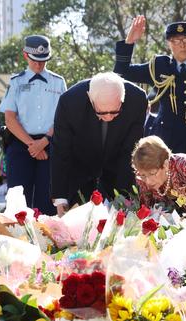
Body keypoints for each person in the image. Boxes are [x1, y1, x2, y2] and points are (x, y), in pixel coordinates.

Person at [114, 16, 186, 167]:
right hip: (168, 142)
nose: (183, 45)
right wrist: (130, 41)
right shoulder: (160, 66)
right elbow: (122, 73)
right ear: (169, 44)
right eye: (177, 40)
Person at [51, 72, 147, 216]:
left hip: (118, 168)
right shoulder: (69, 102)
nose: (108, 117)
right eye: (101, 113)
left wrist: (125, 198)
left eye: (115, 112)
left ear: (123, 98)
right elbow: (61, 150)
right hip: (80, 169)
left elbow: (130, 151)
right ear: (90, 98)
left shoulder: (137, 99)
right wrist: (60, 198)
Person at [0, 35, 67, 215]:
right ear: (25, 56)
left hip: (50, 144)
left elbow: (63, 118)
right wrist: (32, 145)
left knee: (48, 200)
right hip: (21, 144)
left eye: (43, 61)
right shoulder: (16, 82)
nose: (39, 65)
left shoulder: (58, 82)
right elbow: (10, 119)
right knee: (18, 201)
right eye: (35, 60)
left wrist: (43, 142)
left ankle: (47, 241)